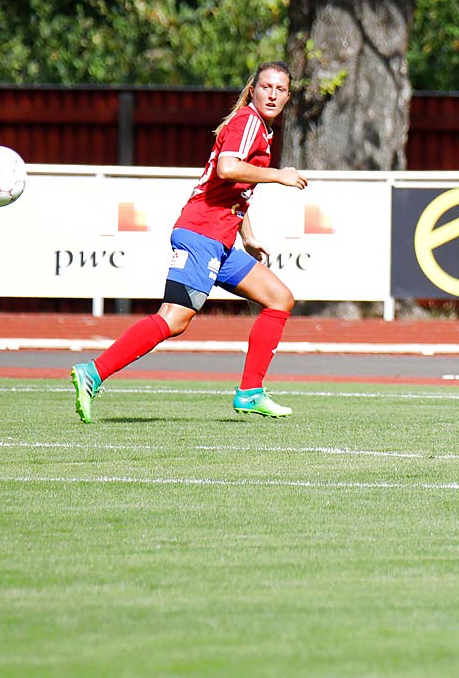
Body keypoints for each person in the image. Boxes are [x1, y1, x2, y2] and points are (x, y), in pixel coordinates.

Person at [69, 62, 307, 422]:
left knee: (279, 299)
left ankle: (250, 392)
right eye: (266, 87)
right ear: (253, 90)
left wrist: (247, 234)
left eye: (280, 89)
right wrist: (279, 175)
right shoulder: (248, 122)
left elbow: (231, 187)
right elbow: (227, 168)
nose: (272, 94)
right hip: (201, 234)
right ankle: (93, 372)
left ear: (288, 96)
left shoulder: (261, 130)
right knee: (174, 318)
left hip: (220, 238)